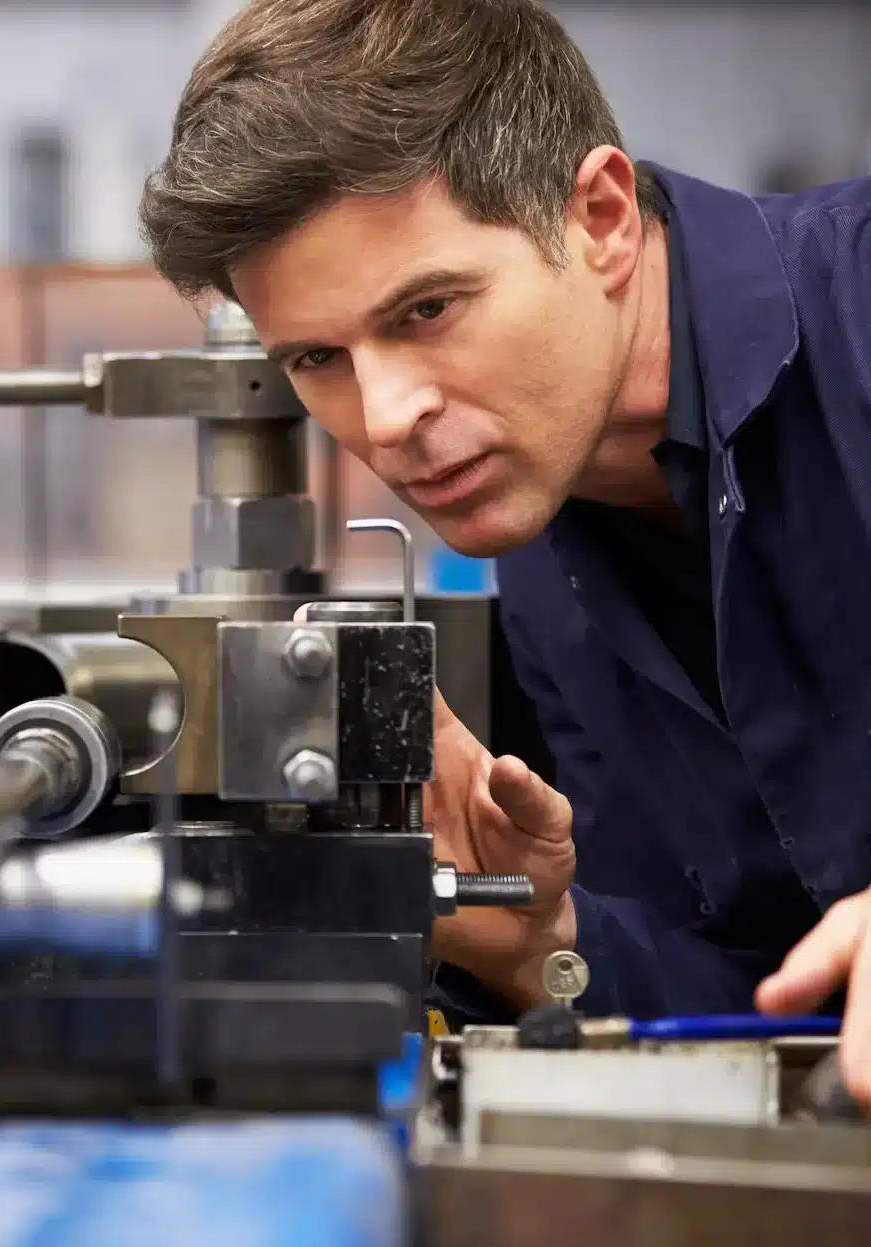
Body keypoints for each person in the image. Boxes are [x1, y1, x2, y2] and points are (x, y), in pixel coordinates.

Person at [138, 0, 871, 1099]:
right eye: (316, 358)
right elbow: (769, 1008)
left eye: (426, 309)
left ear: (601, 218)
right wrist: (543, 941)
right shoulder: (542, 561)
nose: (384, 418)